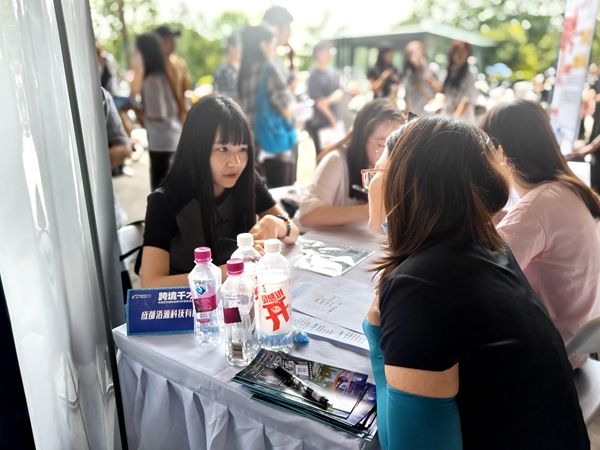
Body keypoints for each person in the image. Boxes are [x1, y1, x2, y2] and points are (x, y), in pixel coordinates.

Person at [363, 115, 589, 449]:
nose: (369, 185)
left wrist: (376, 341)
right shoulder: (488, 245)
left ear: (408, 188)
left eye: (376, 174)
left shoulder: (420, 288)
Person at [482, 100, 600, 367]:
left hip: (547, 355)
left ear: (499, 152)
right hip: (575, 345)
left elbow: (480, 275)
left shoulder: (537, 206)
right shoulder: (568, 189)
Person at [140, 95, 299, 287]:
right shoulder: (164, 202)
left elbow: (293, 231)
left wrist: (277, 223)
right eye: (223, 149)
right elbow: (150, 283)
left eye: (242, 149)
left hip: (241, 295)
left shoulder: (247, 180)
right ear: (196, 148)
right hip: (194, 302)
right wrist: (229, 271)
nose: (235, 162)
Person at [297, 99, 402, 227]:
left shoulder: (396, 167)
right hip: (320, 237)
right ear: (362, 139)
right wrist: (371, 209)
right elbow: (307, 215)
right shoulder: (337, 160)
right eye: (382, 145)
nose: (390, 154)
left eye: (396, 145)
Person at [238, 25, 296, 188]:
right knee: (280, 193)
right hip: (274, 141)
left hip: (253, 142)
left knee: (260, 193)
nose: (274, 48)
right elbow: (286, 107)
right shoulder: (269, 68)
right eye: (272, 44)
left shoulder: (244, 71)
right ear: (263, 45)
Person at [135, 32, 182, 191]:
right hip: (171, 136)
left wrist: (142, 114)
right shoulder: (163, 75)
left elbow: (160, 114)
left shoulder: (151, 80)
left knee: (159, 188)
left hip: (161, 141)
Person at [306, 41, 344, 155]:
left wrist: (326, 101)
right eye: (326, 51)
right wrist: (332, 119)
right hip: (321, 123)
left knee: (336, 154)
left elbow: (340, 92)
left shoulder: (333, 72)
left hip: (335, 120)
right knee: (323, 155)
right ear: (318, 53)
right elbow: (318, 102)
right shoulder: (313, 75)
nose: (329, 54)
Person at [443, 40, 478, 125]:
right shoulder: (450, 71)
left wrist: (454, 118)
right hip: (449, 115)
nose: (460, 55)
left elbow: (466, 99)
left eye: (464, 53)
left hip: (463, 120)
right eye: (458, 52)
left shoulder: (470, 72)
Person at [402, 40, 441, 115]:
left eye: (416, 52)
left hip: (429, 114)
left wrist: (430, 79)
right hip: (414, 115)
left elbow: (440, 90)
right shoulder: (409, 73)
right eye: (410, 53)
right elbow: (407, 96)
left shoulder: (432, 68)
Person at [213, 33, 241, 101]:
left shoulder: (238, 68)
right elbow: (221, 98)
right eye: (240, 49)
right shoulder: (223, 71)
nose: (242, 52)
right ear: (231, 49)